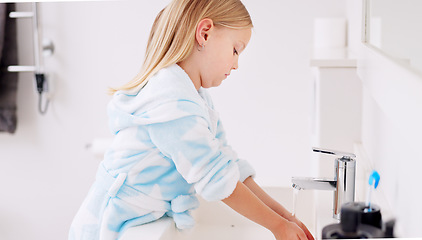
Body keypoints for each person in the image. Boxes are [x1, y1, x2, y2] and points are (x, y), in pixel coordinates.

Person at [69, 0, 314, 239]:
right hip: (109, 225)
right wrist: (277, 226)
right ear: (205, 33)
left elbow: (227, 166)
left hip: (137, 223)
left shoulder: (195, 98)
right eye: (235, 50)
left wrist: (285, 218)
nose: (237, 64)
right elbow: (215, 177)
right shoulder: (170, 97)